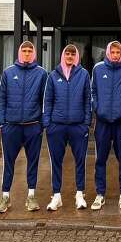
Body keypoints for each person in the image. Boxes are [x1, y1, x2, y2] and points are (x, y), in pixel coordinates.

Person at [0, 41, 48, 214]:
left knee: (33, 162)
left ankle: (31, 196)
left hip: (33, 126)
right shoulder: (8, 72)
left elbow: (45, 100)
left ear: (34, 53)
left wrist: (41, 123)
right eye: (24, 50)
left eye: (30, 51)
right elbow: (1, 98)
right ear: (19, 52)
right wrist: (2, 122)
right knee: (8, 163)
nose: (26, 53)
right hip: (11, 126)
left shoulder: (41, 73)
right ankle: (5, 197)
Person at [42, 45, 91, 211]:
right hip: (57, 126)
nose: (70, 56)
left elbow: (87, 99)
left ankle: (80, 194)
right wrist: (48, 124)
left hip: (78, 126)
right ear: (63, 55)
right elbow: (48, 100)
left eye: (73, 54)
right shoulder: (53, 75)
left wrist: (86, 123)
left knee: (80, 161)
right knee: (56, 161)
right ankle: (56, 196)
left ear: (76, 56)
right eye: (67, 53)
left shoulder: (83, 74)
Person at [90, 41, 121, 210]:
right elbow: (92, 91)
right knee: (100, 159)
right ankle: (100, 194)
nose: (115, 55)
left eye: (118, 52)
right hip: (102, 123)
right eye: (113, 52)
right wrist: (97, 108)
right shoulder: (98, 68)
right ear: (108, 52)